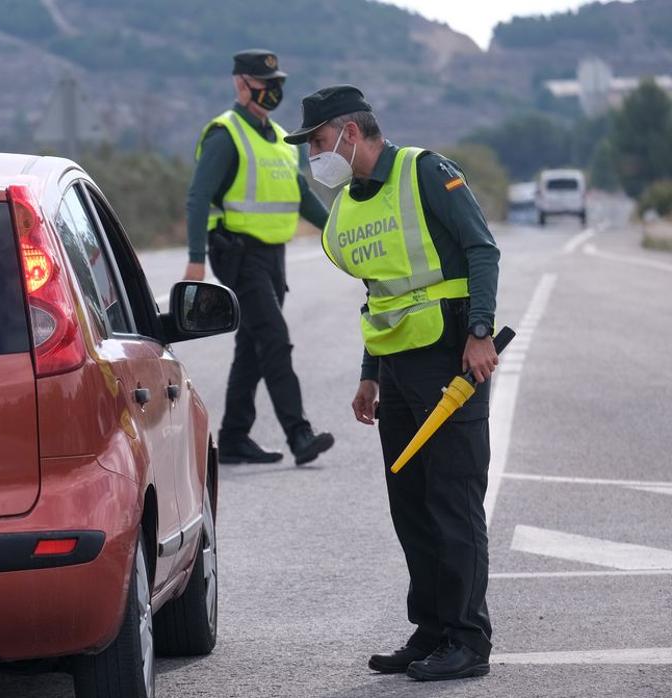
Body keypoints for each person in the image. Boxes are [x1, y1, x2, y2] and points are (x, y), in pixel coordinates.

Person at [283, 85, 501, 681]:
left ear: (350, 133)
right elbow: (381, 292)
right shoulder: (350, 203)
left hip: (450, 356)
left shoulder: (425, 172)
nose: (315, 157)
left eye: (320, 142)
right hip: (397, 369)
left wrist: (480, 331)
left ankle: (467, 638)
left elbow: (482, 249)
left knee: (451, 501)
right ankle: (431, 630)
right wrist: (368, 374)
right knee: (410, 504)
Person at [184, 48, 335, 466]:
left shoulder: (284, 142)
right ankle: (299, 434)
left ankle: (233, 437)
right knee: (273, 340)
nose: (272, 91)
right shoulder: (225, 134)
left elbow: (302, 196)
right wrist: (196, 259)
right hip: (236, 253)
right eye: (263, 84)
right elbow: (198, 198)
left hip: (272, 257)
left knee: (251, 346)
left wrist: (339, 232)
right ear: (240, 83)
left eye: (276, 85)